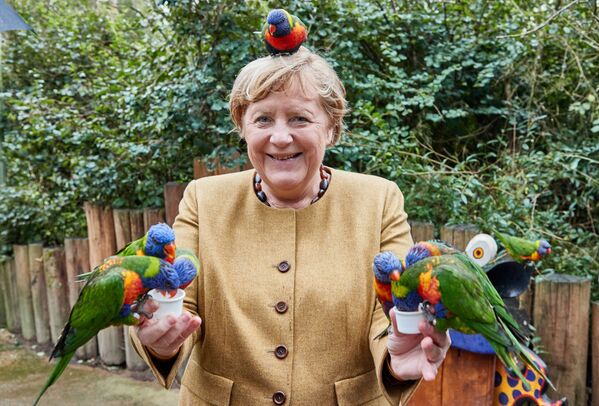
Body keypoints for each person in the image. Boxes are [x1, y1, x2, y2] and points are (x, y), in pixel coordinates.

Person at [130, 46, 450, 405]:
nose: (280, 137)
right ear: (242, 126)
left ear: (330, 127)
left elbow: (394, 309)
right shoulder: (203, 201)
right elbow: (176, 300)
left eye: (299, 118)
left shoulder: (379, 201)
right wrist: (160, 335)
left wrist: (397, 354)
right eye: (263, 119)